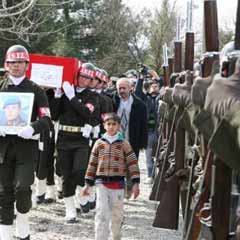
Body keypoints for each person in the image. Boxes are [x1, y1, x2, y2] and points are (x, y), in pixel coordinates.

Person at [0, 45, 52, 240]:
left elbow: (46, 119)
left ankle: (23, 226)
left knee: (23, 188)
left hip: (26, 149)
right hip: (3, 149)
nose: (16, 66)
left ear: (26, 65)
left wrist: (33, 127)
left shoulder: (36, 90)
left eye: (20, 62)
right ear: (6, 64)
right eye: (12, 62)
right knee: (3, 191)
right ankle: (4, 234)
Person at [50, 64, 99, 222]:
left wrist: (72, 97)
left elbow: (86, 113)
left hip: (80, 140)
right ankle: (70, 210)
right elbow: (54, 114)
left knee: (79, 170)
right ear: (76, 76)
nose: (84, 80)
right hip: (64, 137)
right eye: (82, 76)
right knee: (66, 175)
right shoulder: (65, 93)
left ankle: (83, 194)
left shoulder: (91, 96)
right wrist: (58, 96)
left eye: (87, 78)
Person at [82, 113, 140, 240]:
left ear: (119, 126)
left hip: (118, 185)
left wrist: (136, 183)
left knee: (117, 215)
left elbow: (132, 163)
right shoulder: (99, 143)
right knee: (101, 213)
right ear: (104, 126)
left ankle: (116, 236)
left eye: (114, 124)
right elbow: (92, 163)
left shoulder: (124, 144)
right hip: (101, 183)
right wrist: (88, 184)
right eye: (108, 124)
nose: (111, 127)